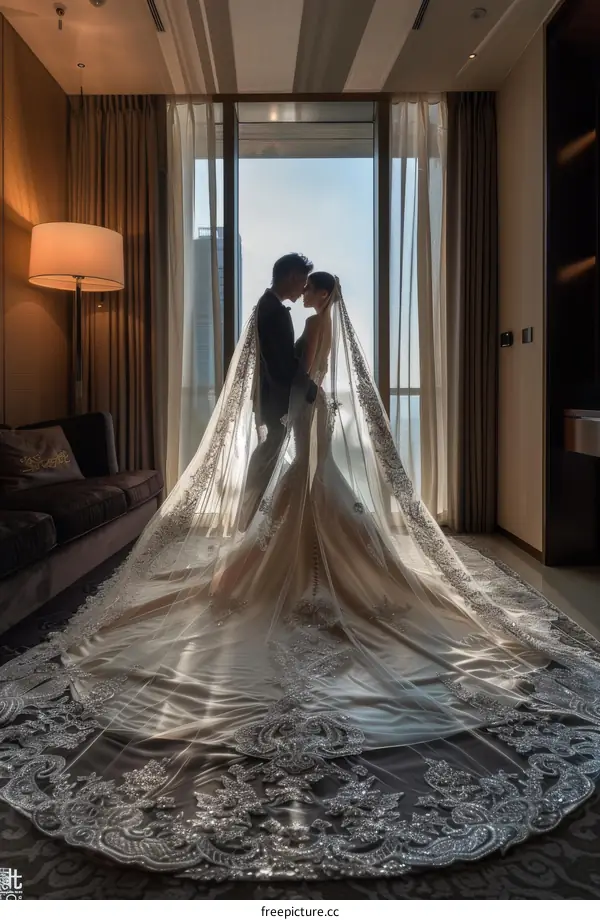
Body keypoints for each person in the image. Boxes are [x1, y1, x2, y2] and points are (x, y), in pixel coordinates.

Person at [1, 274, 600, 883]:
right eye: (307, 286)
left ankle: (305, 566)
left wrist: (306, 400)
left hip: (306, 407)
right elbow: (311, 371)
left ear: (317, 295)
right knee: (311, 494)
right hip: (312, 408)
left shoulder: (311, 323)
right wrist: (311, 400)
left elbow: (304, 372)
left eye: (313, 289)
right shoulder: (312, 321)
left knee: (305, 494)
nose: (309, 295)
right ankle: (326, 561)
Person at [240, 253, 317, 531]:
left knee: (269, 452)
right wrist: (308, 385)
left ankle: (254, 519)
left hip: (271, 395)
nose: (304, 289)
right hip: (275, 398)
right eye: (303, 282)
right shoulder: (272, 310)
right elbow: (280, 365)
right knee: (269, 453)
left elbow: (279, 358)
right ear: (293, 277)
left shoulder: (269, 305)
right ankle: (253, 519)